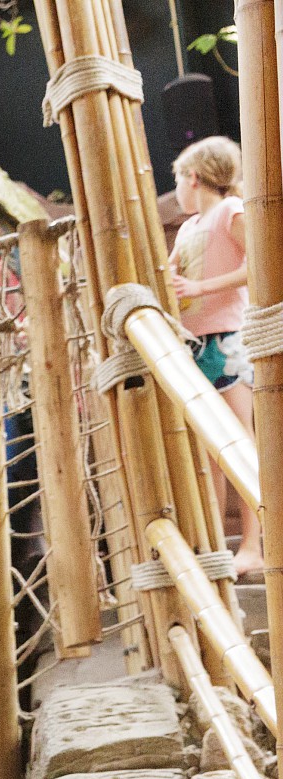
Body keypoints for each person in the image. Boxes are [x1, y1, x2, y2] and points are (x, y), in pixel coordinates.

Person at [169, 135, 260, 573]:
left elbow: (259, 264)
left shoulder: (230, 211)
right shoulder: (186, 229)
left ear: (194, 177)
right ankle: (216, 544)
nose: (177, 193)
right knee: (210, 453)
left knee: (240, 441)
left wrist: (201, 288)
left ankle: (254, 547)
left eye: (179, 182)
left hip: (227, 337)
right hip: (194, 344)